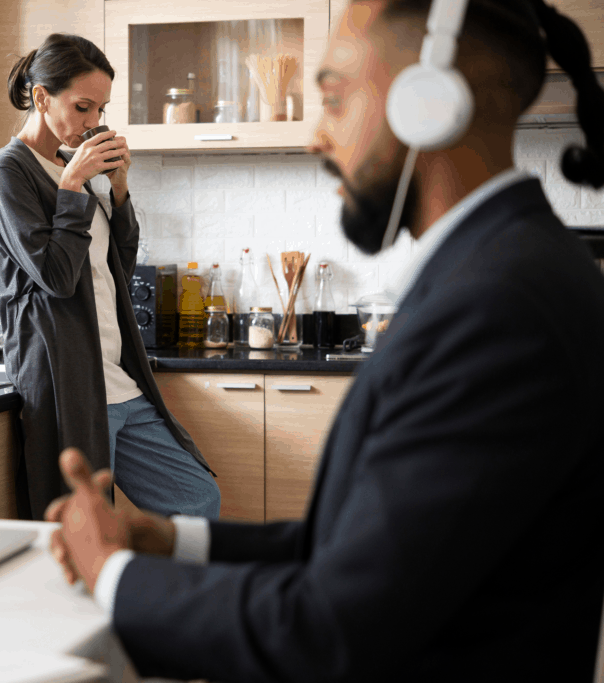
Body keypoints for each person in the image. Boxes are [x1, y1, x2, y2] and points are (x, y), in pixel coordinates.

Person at [45, 1, 604, 679]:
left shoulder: (502, 307)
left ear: (430, 104)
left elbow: (329, 627)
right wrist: (172, 541)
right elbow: (365, 548)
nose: (318, 138)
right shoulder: (494, 274)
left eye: (336, 99)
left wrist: (113, 577)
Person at [0, 34, 222, 521]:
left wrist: (118, 188)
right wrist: (72, 186)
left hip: (117, 375)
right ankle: (119, 595)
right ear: (42, 97)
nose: (93, 123)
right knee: (83, 526)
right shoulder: (8, 172)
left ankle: (154, 595)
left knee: (197, 498)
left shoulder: (75, 166)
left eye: (101, 109)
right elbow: (56, 277)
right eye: (83, 107)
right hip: (68, 379)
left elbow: (117, 267)